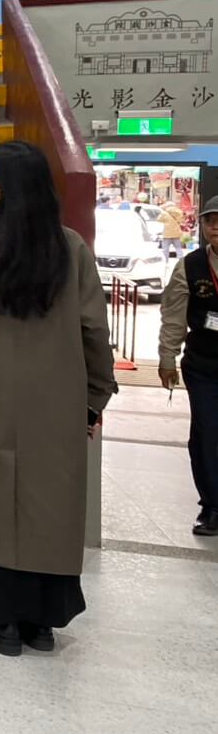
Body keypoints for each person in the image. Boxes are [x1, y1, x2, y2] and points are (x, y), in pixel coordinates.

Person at [0, 141, 115, 656]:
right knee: (47, 505)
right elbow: (94, 330)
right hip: (54, 404)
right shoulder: (70, 248)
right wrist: (95, 395)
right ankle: (40, 619)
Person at [156, 195, 218, 538]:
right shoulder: (189, 266)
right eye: (210, 221)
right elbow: (173, 317)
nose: (216, 227)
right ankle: (212, 505)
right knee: (206, 433)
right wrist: (167, 358)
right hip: (204, 366)